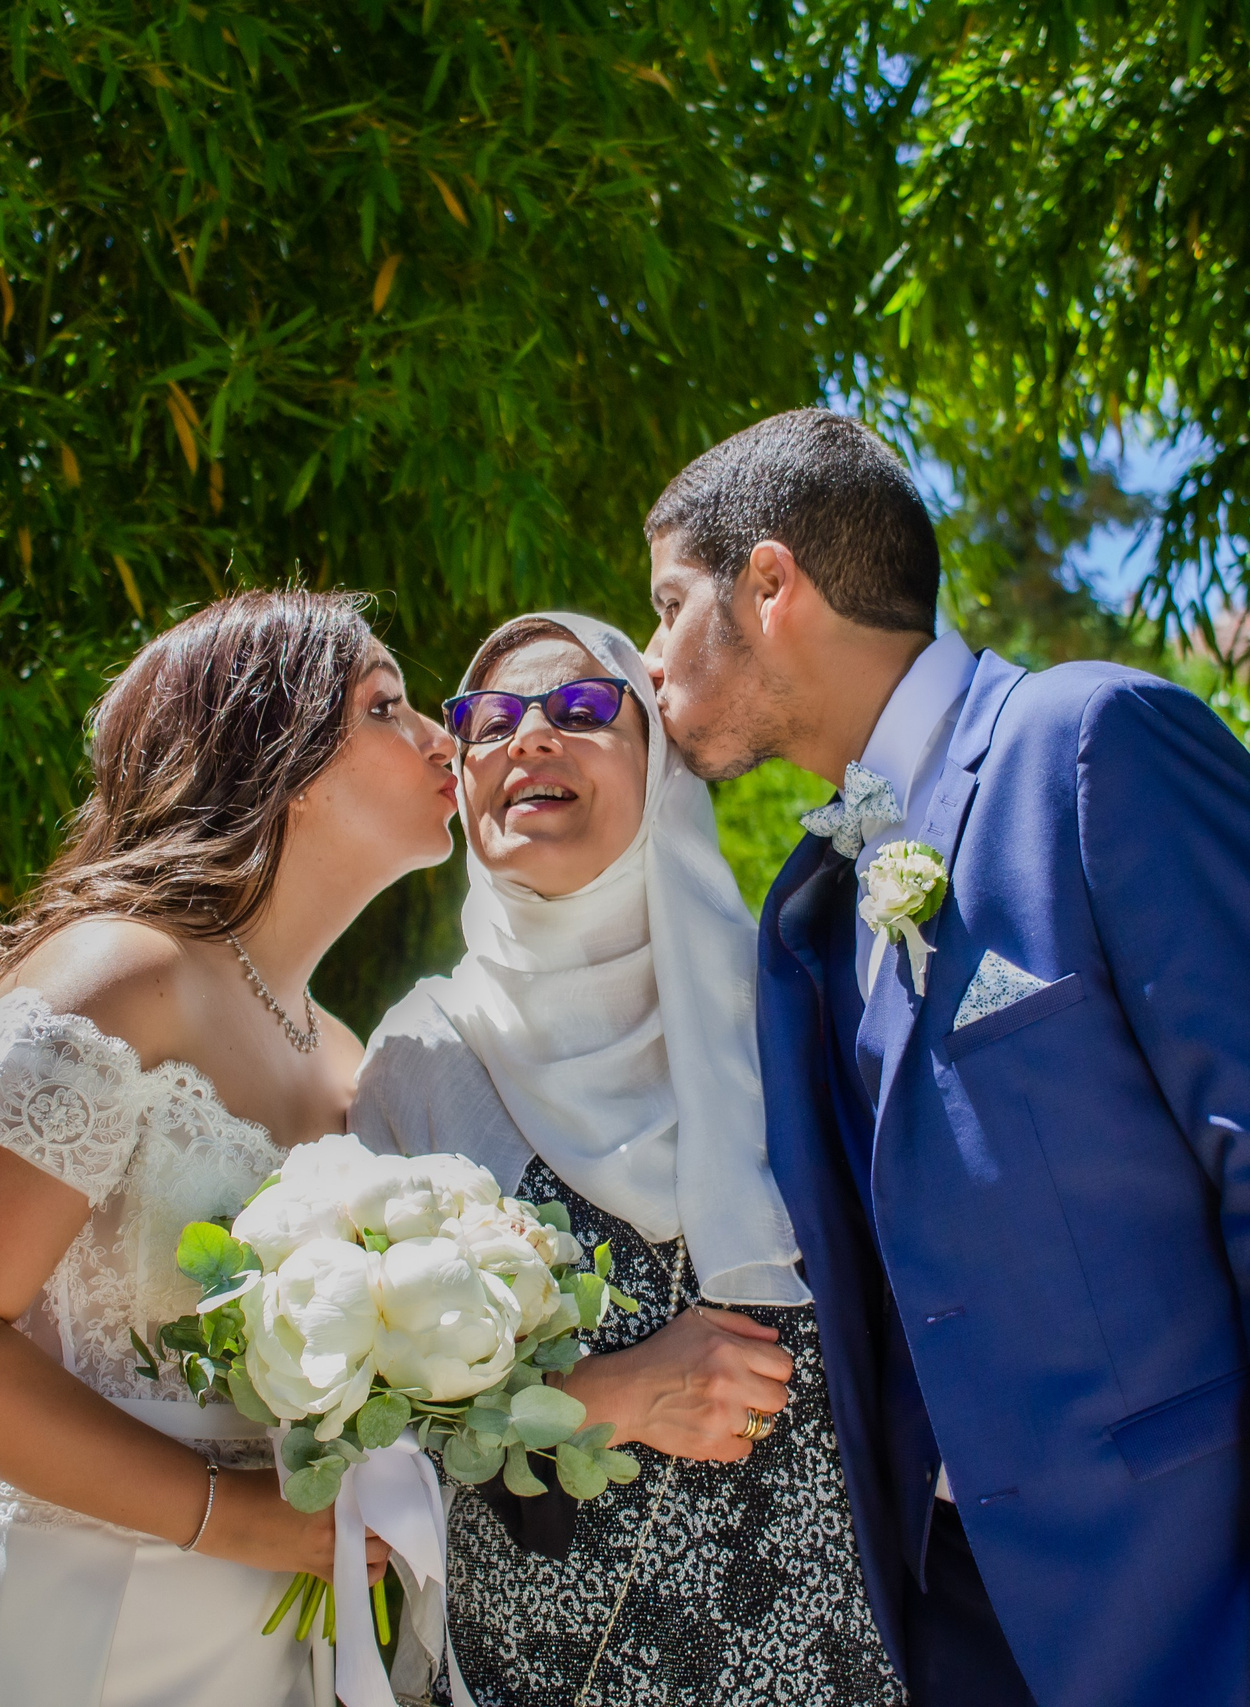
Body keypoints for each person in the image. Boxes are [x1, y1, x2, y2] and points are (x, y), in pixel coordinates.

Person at [639, 410, 1250, 1707]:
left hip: (1193, 1608)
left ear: (773, 585)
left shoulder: (1094, 745)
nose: (650, 655)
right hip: (949, 1623)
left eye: (671, 604)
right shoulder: (812, 907)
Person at [0, 591, 461, 1707]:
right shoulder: (119, 975)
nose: (441, 736)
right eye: (386, 706)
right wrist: (229, 1519)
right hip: (43, 1609)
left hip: (248, 1633)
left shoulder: (339, 1054)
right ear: (274, 752)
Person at [349, 612, 907, 1707]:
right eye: (489, 721)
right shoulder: (420, 1060)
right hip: (549, 1669)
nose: (528, 740)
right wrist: (613, 1395)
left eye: (582, 708)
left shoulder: (794, 1009)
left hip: (835, 1658)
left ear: (661, 770)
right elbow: (361, 1433)